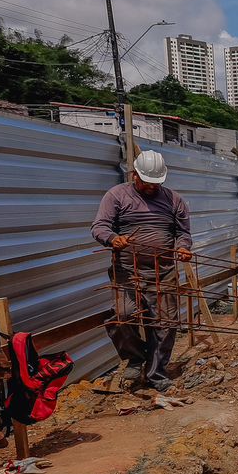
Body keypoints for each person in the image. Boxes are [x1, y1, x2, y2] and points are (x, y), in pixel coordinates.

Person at [90, 150, 193, 390]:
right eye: (147, 183)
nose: (151, 188)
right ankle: (135, 358)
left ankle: (156, 373)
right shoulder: (116, 196)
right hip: (128, 271)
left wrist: (183, 248)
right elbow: (99, 226)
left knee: (166, 324)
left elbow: (183, 233)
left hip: (164, 271)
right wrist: (112, 238)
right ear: (134, 174)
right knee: (122, 317)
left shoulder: (174, 200)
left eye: (156, 184)